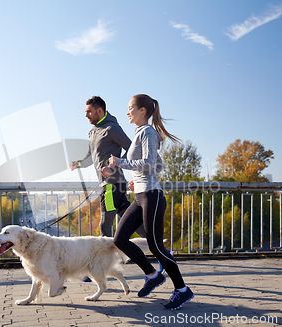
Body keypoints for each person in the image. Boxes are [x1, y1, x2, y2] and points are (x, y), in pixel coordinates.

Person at [102, 94, 194, 310]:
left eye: (130, 108)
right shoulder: (140, 133)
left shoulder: (149, 132)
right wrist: (130, 176)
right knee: (120, 239)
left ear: (142, 110)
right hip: (141, 195)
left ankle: (182, 290)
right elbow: (158, 166)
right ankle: (152, 275)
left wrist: (121, 162)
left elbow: (149, 163)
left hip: (152, 196)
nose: (127, 112)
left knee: (156, 246)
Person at [69, 96, 146, 238]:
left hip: (111, 184)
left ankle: (110, 259)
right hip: (112, 185)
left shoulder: (112, 129)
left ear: (99, 110)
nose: (86, 115)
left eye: (89, 112)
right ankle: (161, 249)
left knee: (105, 225)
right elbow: (90, 158)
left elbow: (131, 149)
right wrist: (77, 164)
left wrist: (114, 167)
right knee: (131, 222)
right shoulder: (93, 132)